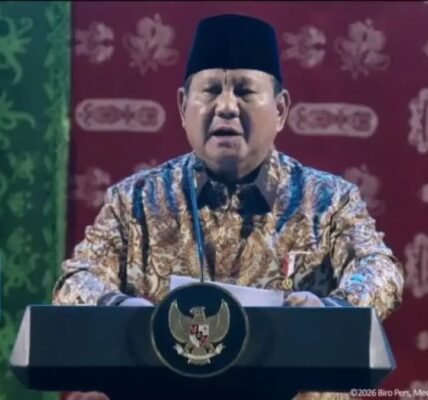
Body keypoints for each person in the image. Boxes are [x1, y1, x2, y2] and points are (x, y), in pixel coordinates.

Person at [53, 13, 404, 400]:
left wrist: (330, 309)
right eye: (210, 91)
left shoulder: (329, 200)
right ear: (183, 106)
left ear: (281, 109)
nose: (226, 107)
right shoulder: (134, 200)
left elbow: (381, 271)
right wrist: (122, 308)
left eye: (245, 91)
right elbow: (75, 280)